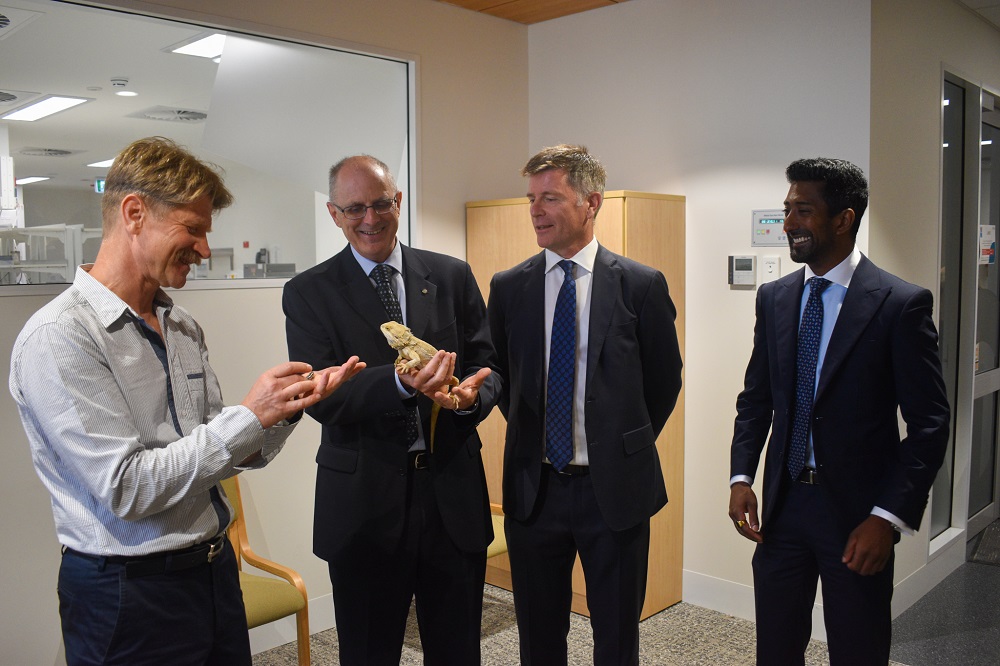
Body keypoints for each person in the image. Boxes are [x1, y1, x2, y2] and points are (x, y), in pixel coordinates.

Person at [8, 136, 363, 665]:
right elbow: (127, 489)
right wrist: (248, 415)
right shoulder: (60, 337)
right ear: (133, 213)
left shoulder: (181, 326)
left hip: (213, 576)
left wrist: (288, 408)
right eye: (192, 229)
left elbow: (225, 453)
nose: (203, 248)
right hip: (129, 596)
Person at [728, 157, 950, 665]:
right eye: (787, 210)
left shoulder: (899, 304)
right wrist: (742, 476)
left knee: (858, 649)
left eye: (802, 210)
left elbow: (930, 423)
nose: (787, 223)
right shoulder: (776, 298)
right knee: (776, 648)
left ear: (843, 218)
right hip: (782, 512)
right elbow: (756, 398)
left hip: (857, 517)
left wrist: (887, 517)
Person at [282, 154, 499, 666]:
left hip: (452, 499)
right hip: (364, 506)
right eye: (354, 208)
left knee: (457, 651)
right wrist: (403, 384)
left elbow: (488, 367)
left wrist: (470, 399)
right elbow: (323, 396)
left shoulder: (451, 275)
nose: (370, 219)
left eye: (381, 204)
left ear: (398, 202)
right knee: (368, 653)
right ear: (334, 214)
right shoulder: (308, 293)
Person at [487, 144, 683, 665]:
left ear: (590, 202)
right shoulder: (509, 288)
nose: (535, 211)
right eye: (531, 199)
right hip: (535, 491)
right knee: (539, 636)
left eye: (550, 198)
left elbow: (664, 382)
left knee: (616, 638)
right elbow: (505, 379)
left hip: (614, 492)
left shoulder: (640, 285)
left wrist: (620, 442)